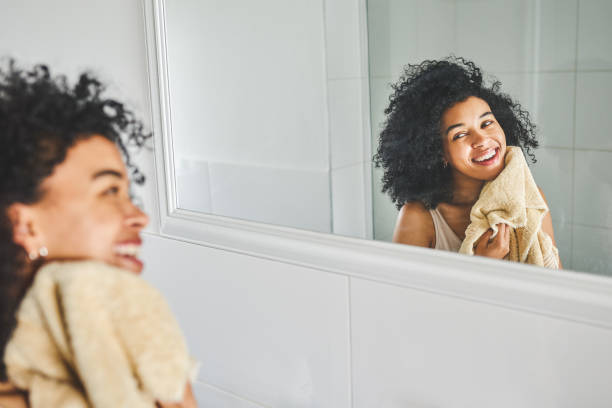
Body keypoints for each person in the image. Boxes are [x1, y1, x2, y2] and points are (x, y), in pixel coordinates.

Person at [0, 61, 197, 407]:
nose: (140, 216)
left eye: (128, 193)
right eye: (109, 191)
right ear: (27, 226)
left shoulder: (144, 356)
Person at [374, 57, 561, 267]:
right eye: (460, 134)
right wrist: (480, 266)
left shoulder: (530, 198)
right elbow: (401, 296)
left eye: (487, 123)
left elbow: (556, 285)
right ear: (438, 151)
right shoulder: (420, 218)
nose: (482, 140)